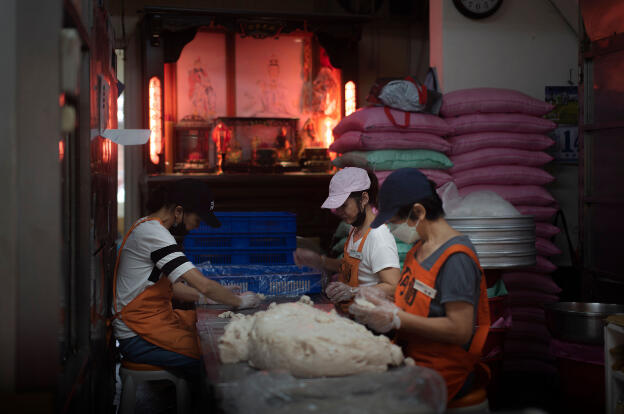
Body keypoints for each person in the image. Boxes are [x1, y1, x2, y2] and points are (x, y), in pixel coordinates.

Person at [349, 168, 490, 402]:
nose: (394, 231)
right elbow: (418, 301)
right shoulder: (418, 250)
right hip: (412, 359)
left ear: (418, 212)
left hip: (442, 371)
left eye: (395, 223)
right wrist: (378, 301)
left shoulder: (456, 259)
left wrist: (396, 318)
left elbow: (460, 329)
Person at [112, 179, 262, 379]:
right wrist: (238, 301)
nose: (194, 228)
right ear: (179, 212)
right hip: (137, 336)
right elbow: (203, 285)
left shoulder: (148, 227)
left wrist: (215, 297)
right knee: (214, 356)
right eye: (197, 221)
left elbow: (172, 288)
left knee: (207, 332)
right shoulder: (153, 234)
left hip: (151, 322)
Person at [293, 167, 401, 313]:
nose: (339, 212)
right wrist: (320, 261)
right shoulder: (354, 229)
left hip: (370, 319)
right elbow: (356, 265)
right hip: (350, 312)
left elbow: (393, 286)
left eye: (343, 206)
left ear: (364, 199)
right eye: (337, 207)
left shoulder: (378, 237)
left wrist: (353, 291)